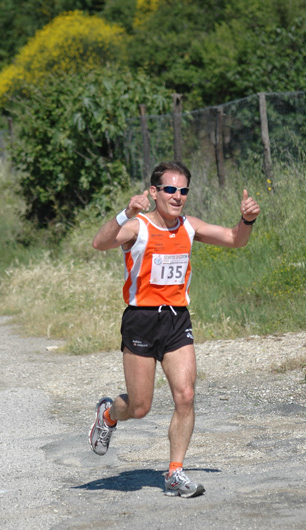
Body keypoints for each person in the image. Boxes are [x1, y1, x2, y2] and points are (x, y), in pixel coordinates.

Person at [89, 161, 260, 497]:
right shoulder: (138, 226)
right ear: (154, 192)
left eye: (183, 191)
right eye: (170, 189)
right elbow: (100, 242)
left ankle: (174, 473)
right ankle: (108, 414)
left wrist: (247, 220)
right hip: (141, 319)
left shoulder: (189, 226)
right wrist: (125, 213)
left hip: (176, 319)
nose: (177, 196)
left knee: (186, 395)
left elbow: (234, 240)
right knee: (139, 407)